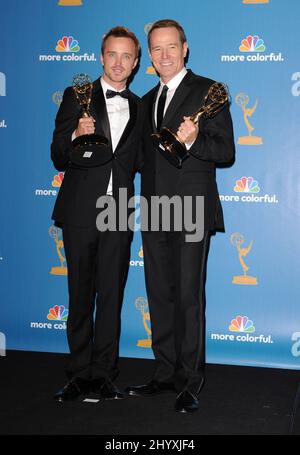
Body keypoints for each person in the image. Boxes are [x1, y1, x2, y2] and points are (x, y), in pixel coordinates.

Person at [125, 19, 235, 413]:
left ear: (185, 48)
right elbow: (140, 159)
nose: (164, 55)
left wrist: (194, 139)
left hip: (191, 208)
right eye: (156, 49)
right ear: (149, 57)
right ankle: (165, 372)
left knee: (188, 296)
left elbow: (225, 152)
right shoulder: (146, 99)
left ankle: (191, 379)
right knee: (159, 294)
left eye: (171, 46)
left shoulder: (209, 91)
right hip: (154, 209)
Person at [51, 26, 142, 402]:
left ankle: (104, 373)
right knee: (80, 292)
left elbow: (140, 161)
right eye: (112, 55)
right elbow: (57, 153)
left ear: (136, 63)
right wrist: (75, 134)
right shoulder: (79, 95)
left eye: (127, 56)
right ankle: (78, 373)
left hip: (118, 211)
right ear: (101, 57)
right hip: (80, 210)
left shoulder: (140, 105)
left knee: (111, 296)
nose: (118, 62)